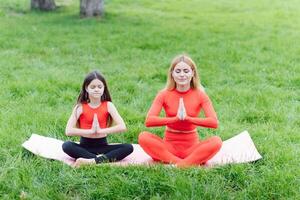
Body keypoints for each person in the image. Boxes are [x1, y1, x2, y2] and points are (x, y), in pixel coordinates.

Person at [138, 54, 222, 167]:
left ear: (192, 73)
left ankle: (177, 165)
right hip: (168, 148)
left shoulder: (201, 95)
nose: (182, 75)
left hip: (192, 149)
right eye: (178, 71)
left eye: (186, 71)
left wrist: (188, 118)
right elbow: (149, 121)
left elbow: (214, 122)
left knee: (216, 141)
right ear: (172, 74)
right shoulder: (163, 94)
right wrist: (175, 119)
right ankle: (183, 164)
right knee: (143, 137)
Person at [62, 71, 133, 167]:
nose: (96, 89)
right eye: (93, 87)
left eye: (100, 87)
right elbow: (68, 131)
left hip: (102, 146)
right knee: (66, 145)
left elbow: (122, 126)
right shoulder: (80, 107)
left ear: (104, 88)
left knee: (128, 147)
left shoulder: (108, 105)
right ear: (86, 88)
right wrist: (90, 131)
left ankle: (92, 161)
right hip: (84, 147)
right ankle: (100, 159)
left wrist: (101, 131)